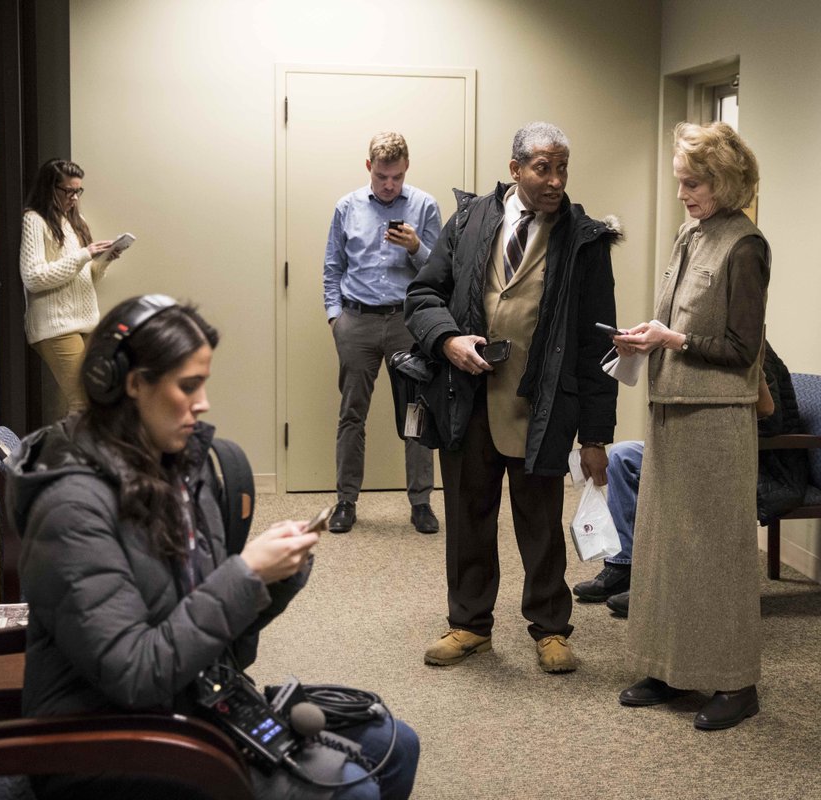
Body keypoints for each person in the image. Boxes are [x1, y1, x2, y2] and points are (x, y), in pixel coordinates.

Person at [8, 295, 419, 799]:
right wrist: (244, 575)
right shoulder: (71, 510)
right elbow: (135, 674)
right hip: (108, 747)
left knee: (395, 744)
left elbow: (225, 647)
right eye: (188, 386)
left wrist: (274, 579)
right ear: (131, 385)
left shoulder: (179, 466)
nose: (202, 403)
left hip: (191, 701)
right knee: (352, 789)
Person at [404, 122, 619, 674]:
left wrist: (595, 436)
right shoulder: (471, 220)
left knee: (541, 522)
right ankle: (469, 624)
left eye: (562, 167)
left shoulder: (584, 238)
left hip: (542, 405)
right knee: (468, 514)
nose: (555, 180)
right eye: (543, 168)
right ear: (515, 169)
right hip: (467, 397)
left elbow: (600, 341)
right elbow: (424, 293)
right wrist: (447, 339)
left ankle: (550, 627)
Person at [612, 121, 768, 730]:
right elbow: (671, 316)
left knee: (717, 555)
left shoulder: (746, 247)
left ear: (725, 182)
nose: (683, 193)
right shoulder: (689, 233)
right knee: (662, 549)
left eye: (694, 182)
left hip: (719, 417)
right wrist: (644, 337)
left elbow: (741, 347)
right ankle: (666, 667)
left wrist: (672, 337)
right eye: (680, 181)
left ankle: (736, 683)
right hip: (672, 408)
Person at [573, 342, 810, 616]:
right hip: (704, 450)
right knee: (622, 456)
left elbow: (770, 420)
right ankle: (623, 566)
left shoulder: (750, 353)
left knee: (679, 470)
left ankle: (664, 586)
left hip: (765, 466)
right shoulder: (703, 352)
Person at [323, 132, 443, 535]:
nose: (389, 185)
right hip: (356, 321)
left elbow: (441, 272)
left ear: (406, 169)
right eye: (381, 177)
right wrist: (334, 317)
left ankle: (421, 503)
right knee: (351, 414)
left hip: (407, 323)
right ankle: (345, 501)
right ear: (368, 168)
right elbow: (332, 267)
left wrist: (415, 247)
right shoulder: (347, 206)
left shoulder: (425, 206)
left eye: (396, 177)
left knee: (416, 414)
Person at [20, 158, 120, 414]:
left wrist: (104, 259)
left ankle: (67, 450)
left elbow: (86, 277)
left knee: (94, 397)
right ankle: (76, 455)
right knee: (83, 402)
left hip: (85, 322)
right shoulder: (34, 220)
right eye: (68, 191)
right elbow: (33, 277)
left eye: (78, 191)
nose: (74, 197)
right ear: (50, 188)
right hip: (56, 327)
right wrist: (84, 254)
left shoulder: (76, 221)